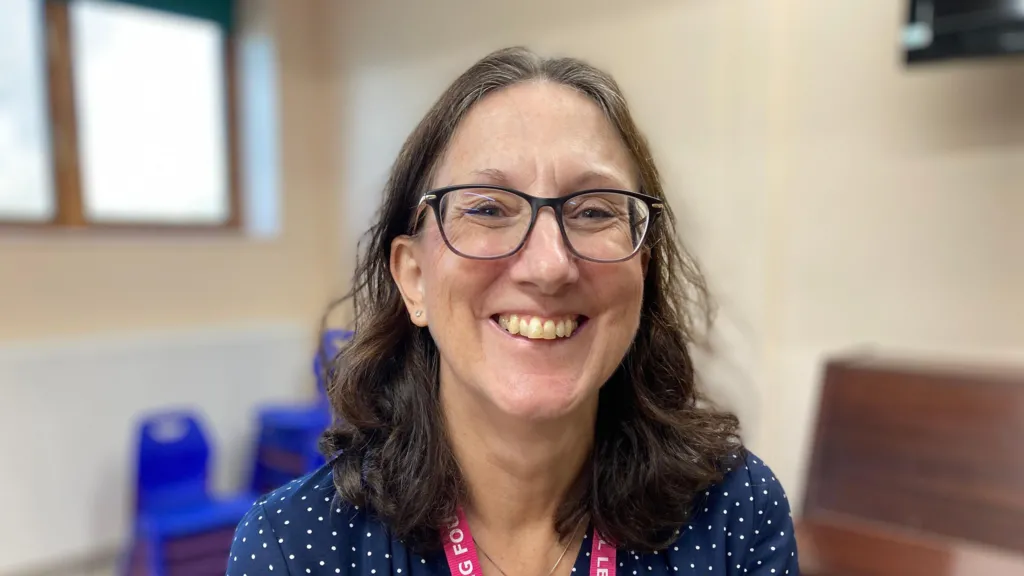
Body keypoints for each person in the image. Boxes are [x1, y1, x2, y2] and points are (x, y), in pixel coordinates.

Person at [228, 46, 799, 576]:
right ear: (414, 277)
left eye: (595, 211)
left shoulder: (734, 515)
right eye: (487, 207)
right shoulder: (294, 546)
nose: (549, 266)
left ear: (642, 271)